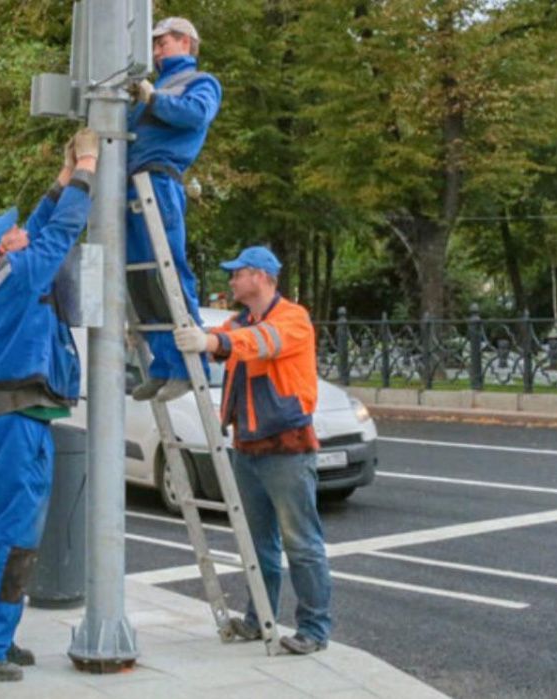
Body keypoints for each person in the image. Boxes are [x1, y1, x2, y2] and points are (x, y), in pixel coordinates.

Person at [0, 128, 100, 682]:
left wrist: (64, 175)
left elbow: (40, 225)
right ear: (4, 248)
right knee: (15, 538)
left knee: (4, 536)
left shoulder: (4, 272)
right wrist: (87, 164)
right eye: (12, 230)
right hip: (16, 426)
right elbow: (60, 230)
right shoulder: (21, 273)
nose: (20, 229)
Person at [172, 246, 332, 655]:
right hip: (247, 448)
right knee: (256, 545)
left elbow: (259, 344)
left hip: (287, 450)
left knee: (301, 544)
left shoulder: (292, 319)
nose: (231, 280)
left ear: (260, 276)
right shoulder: (238, 321)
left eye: (237, 274)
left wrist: (211, 340)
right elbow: (230, 341)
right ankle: (259, 619)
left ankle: (313, 629)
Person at [125, 16, 223, 403]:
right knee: (141, 280)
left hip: (159, 183)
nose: (156, 49)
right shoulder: (158, 85)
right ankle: (163, 365)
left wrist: (152, 98)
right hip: (132, 186)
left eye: (162, 42)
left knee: (168, 274)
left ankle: (187, 366)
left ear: (185, 42)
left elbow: (195, 115)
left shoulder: (199, 82)